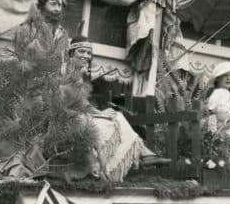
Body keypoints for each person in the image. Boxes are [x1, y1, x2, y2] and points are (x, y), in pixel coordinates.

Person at [68, 37, 168, 180]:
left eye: (88, 53)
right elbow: (78, 102)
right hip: (69, 118)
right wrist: (100, 113)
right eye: (81, 51)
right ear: (71, 53)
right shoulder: (69, 73)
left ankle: (143, 153)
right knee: (113, 120)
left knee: (117, 116)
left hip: (80, 115)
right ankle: (132, 158)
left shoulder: (80, 74)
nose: (85, 56)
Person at [5, 0, 70, 58]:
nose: (57, 9)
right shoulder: (26, 29)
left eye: (59, 5)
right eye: (53, 4)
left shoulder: (61, 33)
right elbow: (16, 56)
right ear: (42, 5)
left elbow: (62, 59)